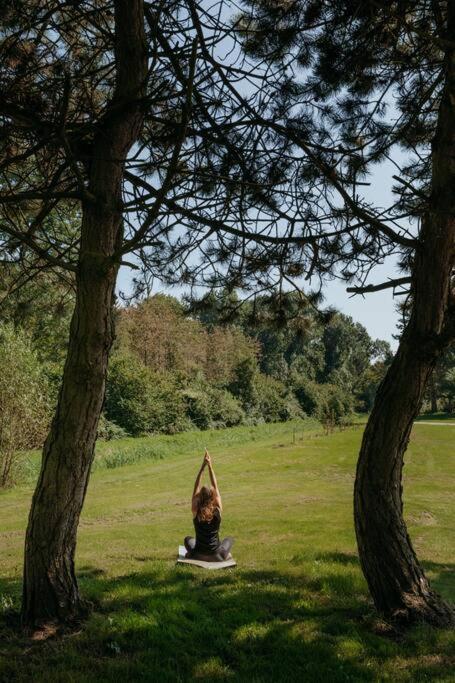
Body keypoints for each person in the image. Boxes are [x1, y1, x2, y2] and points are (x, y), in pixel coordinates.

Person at [184, 450, 234, 562]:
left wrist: (203, 467)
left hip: (198, 554)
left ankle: (191, 555)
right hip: (217, 555)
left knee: (188, 540)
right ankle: (225, 556)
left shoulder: (195, 510)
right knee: (229, 540)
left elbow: (196, 486)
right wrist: (210, 466)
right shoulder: (218, 509)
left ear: (199, 497)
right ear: (213, 497)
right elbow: (215, 486)